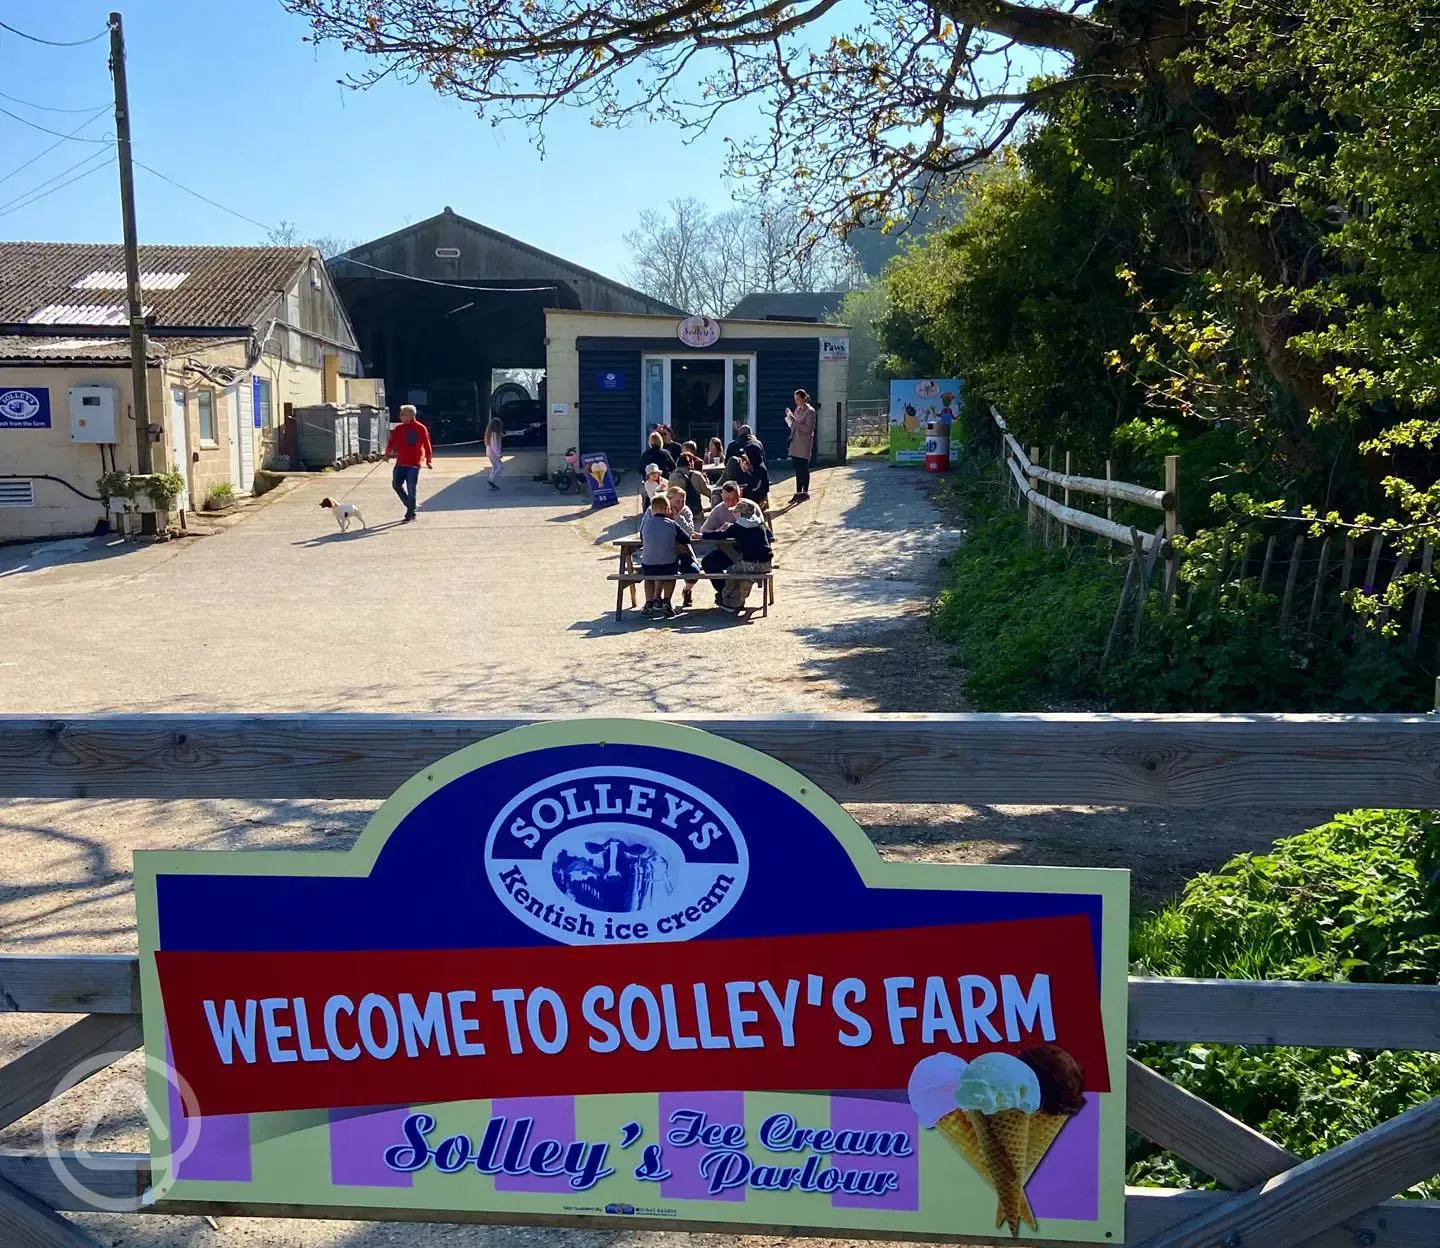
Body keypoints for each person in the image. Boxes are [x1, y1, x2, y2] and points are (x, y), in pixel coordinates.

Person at [703, 498, 774, 612]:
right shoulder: (760, 523)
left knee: (732, 570)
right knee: (741, 571)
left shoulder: (737, 527)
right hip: (767, 564)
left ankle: (728, 600)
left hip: (750, 565)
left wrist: (703, 535)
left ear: (740, 513)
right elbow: (770, 535)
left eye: (734, 512)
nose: (732, 514)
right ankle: (735, 600)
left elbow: (719, 536)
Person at [638, 493, 692, 618]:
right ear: (668, 509)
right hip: (667, 565)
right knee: (671, 575)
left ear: (651, 510)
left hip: (648, 565)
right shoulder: (671, 524)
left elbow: (642, 539)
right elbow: (686, 539)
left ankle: (649, 602)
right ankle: (666, 602)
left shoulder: (646, 524)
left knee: (649, 577)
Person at [384, 403, 433, 522]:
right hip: (400, 462)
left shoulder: (420, 428)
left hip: (414, 464)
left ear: (411, 415)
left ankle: (410, 514)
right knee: (396, 485)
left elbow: (427, 444)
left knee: (411, 488)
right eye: (401, 415)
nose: (400, 417)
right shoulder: (399, 428)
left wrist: (428, 460)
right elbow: (391, 442)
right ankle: (411, 507)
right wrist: (387, 454)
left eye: (403, 415)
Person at [700, 481, 743, 601]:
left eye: (735, 499)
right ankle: (726, 591)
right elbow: (704, 530)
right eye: (727, 499)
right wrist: (719, 531)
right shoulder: (718, 510)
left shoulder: (748, 506)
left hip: (748, 551)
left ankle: (733, 594)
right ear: (722, 497)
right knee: (708, 562)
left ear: (740, 495)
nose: (731, 503)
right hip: (728, 551)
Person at [666, 484, 702, 608]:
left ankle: (687, 590)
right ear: (668, 500)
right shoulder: (658, 508)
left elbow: (689, 531)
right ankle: (660, 600)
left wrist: (677, 516)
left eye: (683, 501)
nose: (680, 504)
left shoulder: (686, 511)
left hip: (683, 551)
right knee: (663, 570)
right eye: (677, 501)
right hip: (664, 551)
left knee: (694, 572)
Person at [785, 388, 817, 503]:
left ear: (804, 398)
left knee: (804, 468)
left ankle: (805, 492)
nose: (796, 402)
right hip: (795, 441)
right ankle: (798, 492)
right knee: (797, 468)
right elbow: (794, 425)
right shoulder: (797, 409)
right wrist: (789, 418)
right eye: (795, 399)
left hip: (804, 443)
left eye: (798, 399)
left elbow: (808, 429)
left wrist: (794, 420)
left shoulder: (810, 411)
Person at [484, 413, 506, 490]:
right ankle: (491, 479)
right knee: (499, 467)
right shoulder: (494, 434)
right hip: (493, 453)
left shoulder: (490, 433)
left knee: (495, 466)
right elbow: (495, 446)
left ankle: (491, 479)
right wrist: (498, 454)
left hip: (490, 453)